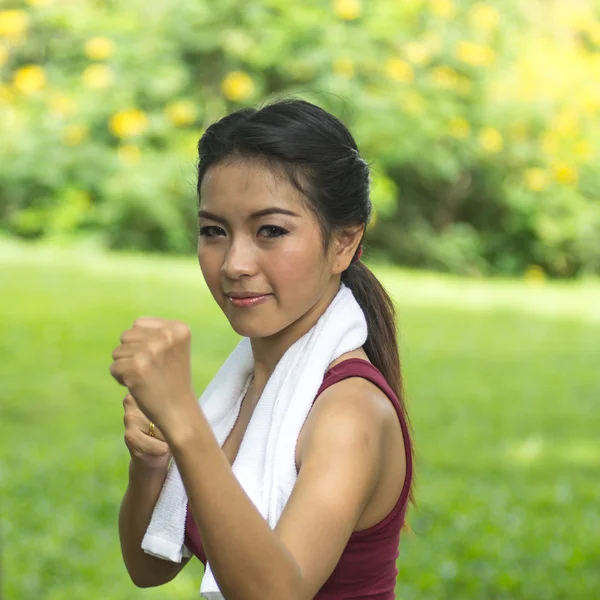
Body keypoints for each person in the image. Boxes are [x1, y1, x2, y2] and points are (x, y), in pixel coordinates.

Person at [117, 97, 415, 598]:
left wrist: (185, 422)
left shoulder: (349, 412)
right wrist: (150, 465)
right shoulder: (248, 389)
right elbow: (148, 569)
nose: (234, 262)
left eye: (270, 231)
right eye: (214, 230)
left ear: (343, 242)